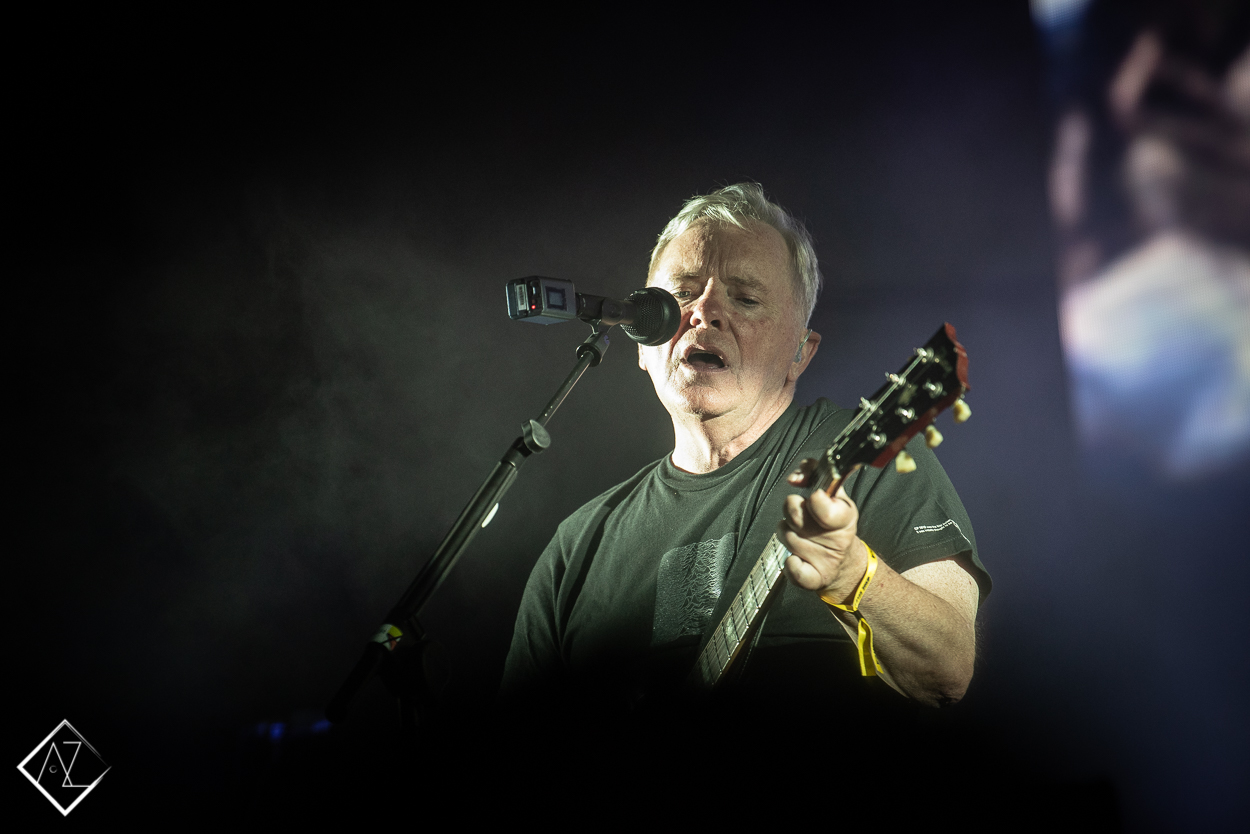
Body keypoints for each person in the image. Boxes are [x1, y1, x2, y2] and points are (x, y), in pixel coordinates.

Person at [502, 184, 990, 729]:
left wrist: (856, 577)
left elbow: (949, 671)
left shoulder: (859, 458)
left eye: (746, 300)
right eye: (681, 294)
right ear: (641, 341)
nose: (704, 313)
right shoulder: (577, 547)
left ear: (801, 352)